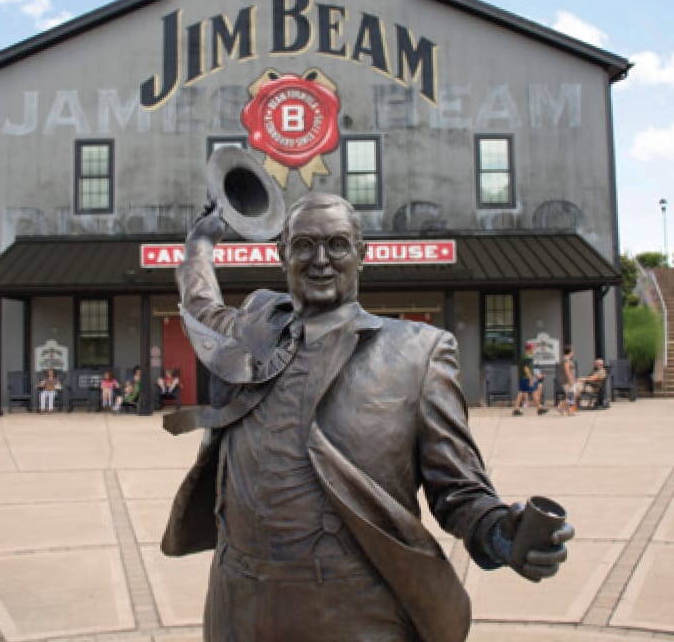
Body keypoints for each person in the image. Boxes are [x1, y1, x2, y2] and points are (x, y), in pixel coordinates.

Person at [161, 194, 573, 642]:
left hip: (356, 616)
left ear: (362, 254)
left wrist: (497, 532)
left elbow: (458, 488)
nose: (321, 260)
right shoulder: (249, 336)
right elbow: (199, 304)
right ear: (282, 255)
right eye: (303, 245)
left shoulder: (418, 353)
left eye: (337, 245)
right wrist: (200, 245)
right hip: (237, 612)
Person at [513, 342, 548, 415]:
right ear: (529, 349)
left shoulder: (524, 356)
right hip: (527, 378)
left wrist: (535, 375)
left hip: (523, 377)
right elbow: (526, 369)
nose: (534, 349)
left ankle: (516, 409)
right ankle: (539, 409)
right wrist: (531, 379)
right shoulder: (527, 357)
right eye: (533, 348)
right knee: (534, 392)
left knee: (521, 392)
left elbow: (529, 369)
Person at [557, 344, 581, 415]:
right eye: (572, 351)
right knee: (571, 395)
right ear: (569, 352)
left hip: (568, 380)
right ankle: (562, 407)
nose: (573, 353)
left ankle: (565, 410)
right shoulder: (566, 360)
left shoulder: (566, 359)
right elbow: (567, 370)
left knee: (570, 395)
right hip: (567, 381)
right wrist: (571, 380)